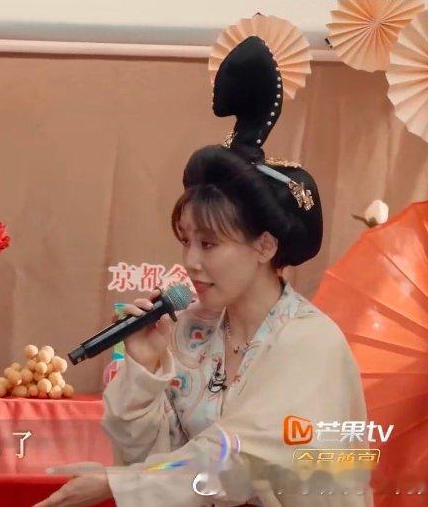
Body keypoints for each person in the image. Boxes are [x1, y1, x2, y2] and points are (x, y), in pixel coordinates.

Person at [37, 36, 369, 506]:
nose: (191, 261)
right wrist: (146, 368)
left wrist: (119, 484)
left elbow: (240, 461)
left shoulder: (311, 344)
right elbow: (152, 456)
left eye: (209, 243)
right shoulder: (192, 330)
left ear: (265, 245)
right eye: (186, 240)